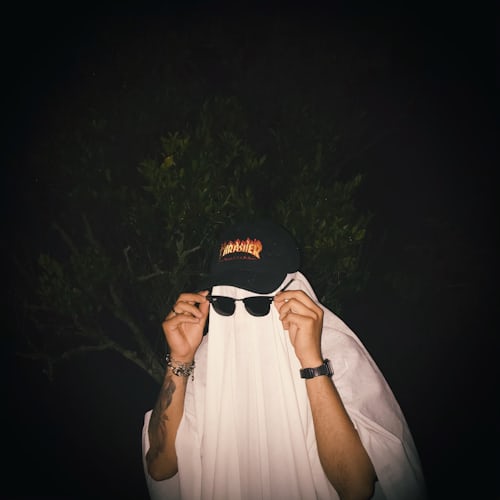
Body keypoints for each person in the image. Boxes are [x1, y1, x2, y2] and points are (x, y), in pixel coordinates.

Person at [141, 220, 427, 500]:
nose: (239, 314)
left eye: (257, 303)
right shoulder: (209, 358)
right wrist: (180, 359)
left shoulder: (332, 349)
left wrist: (312, 363)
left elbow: (355, 487)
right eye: (225, 303)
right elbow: (160, 466)